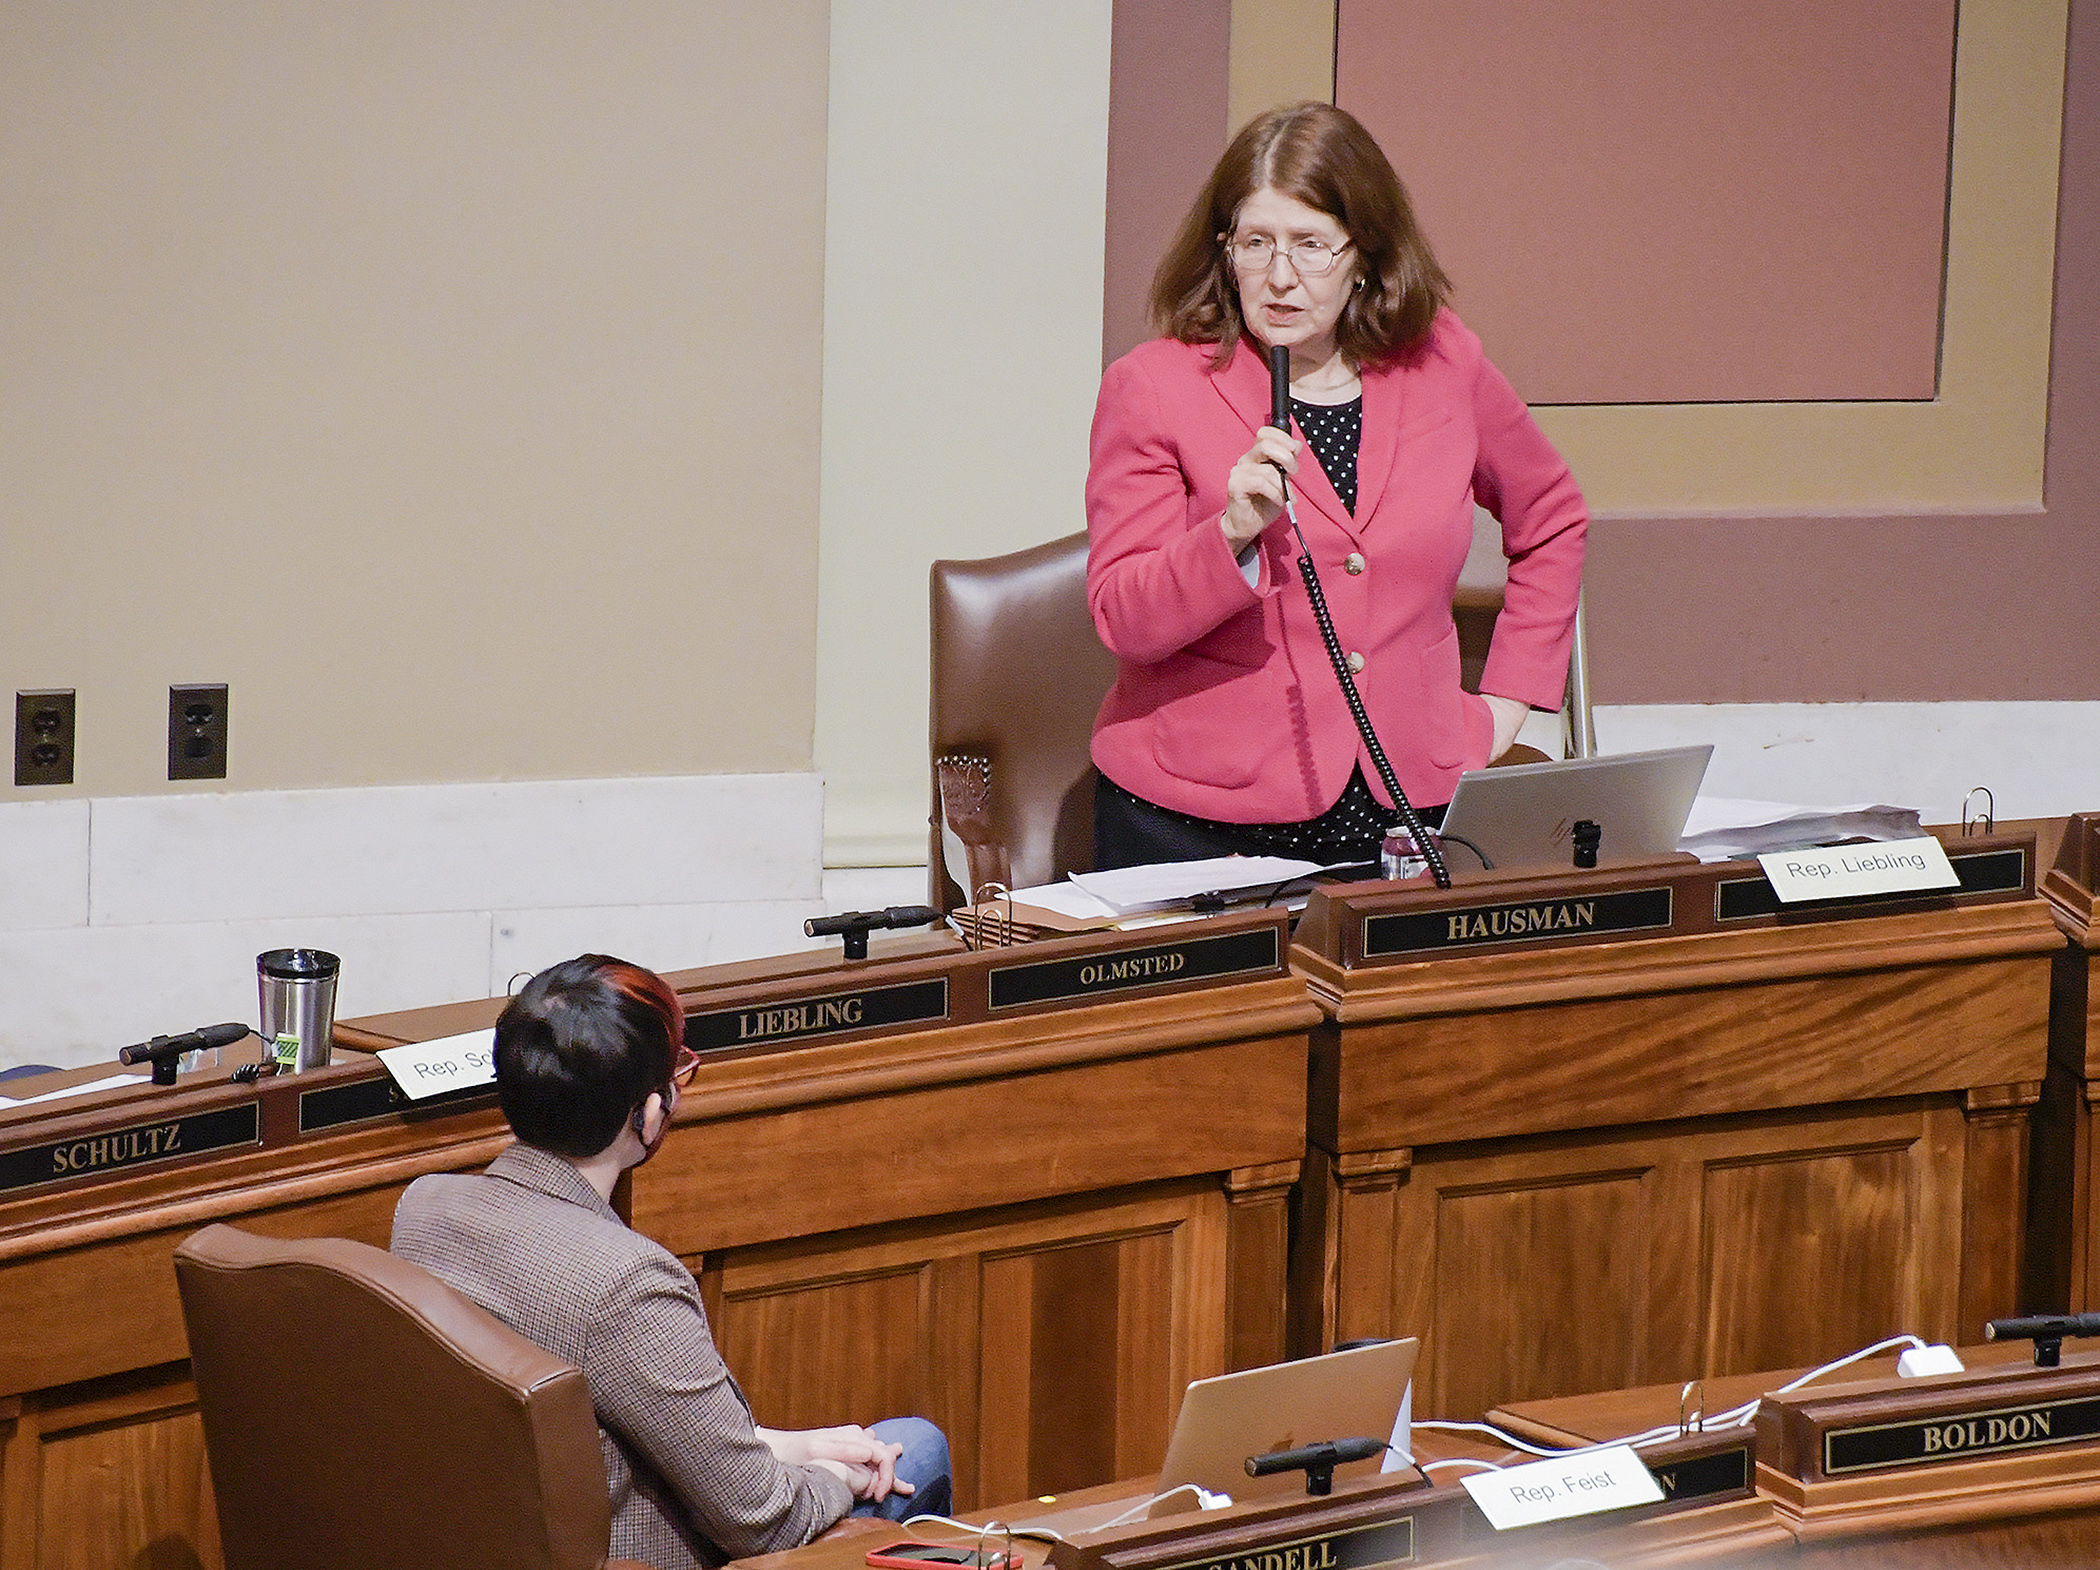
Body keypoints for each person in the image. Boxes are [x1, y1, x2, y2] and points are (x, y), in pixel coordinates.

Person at [1087, 101, 1587, 869]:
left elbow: (1552, 517)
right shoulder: (1153, 387)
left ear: (1365, 254)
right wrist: (1228, 535)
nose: (1280, 278)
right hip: (1204, 817)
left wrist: (1506, 704)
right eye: (1255, 244)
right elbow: (1124, 617)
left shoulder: (1443, 362)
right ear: (1223, 251)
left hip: (1411, 796)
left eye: (1310, 246)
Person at [391, 954, 952, 1570]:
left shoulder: (424, 1208)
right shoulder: (628, 1283)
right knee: (918, 1449)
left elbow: (618, 1427)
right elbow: (761, 1522)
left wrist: (795, 1447)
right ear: (651, 1110)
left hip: (500, 1542)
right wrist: (832, 1479)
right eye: (677, 1070)